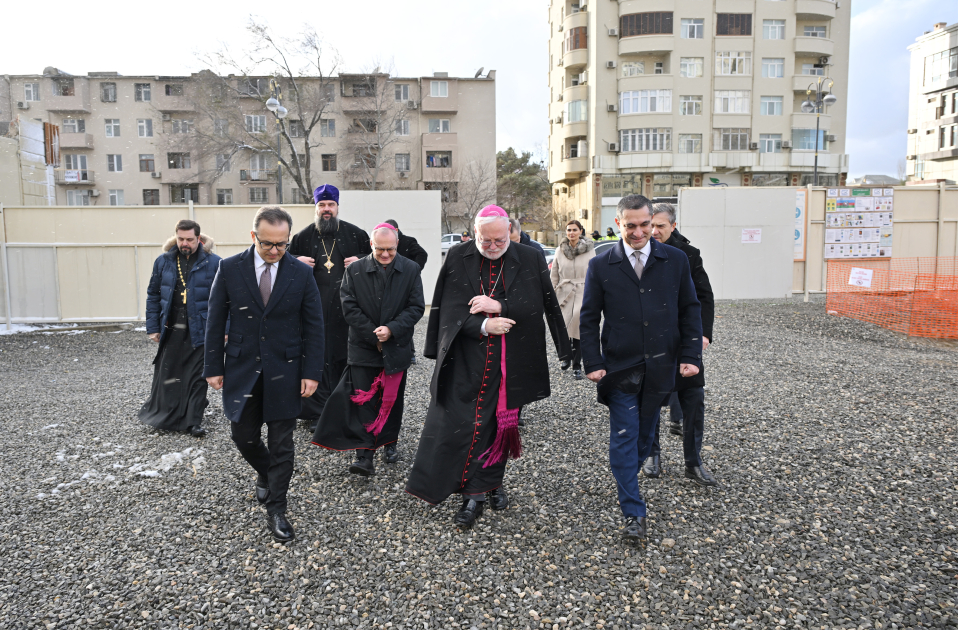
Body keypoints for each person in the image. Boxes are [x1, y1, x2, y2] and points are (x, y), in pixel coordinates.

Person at [405, 205, 571, 528]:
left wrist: (500, 306)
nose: (493, 247)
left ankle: (488, 485)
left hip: (512, 359)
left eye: (499, 240)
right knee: (466, 423)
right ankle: (473, 493)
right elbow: (450, 309)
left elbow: (541, 303)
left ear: (509, 230)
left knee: (499, 426)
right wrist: (482, 326)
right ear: (475, 233)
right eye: (486, 241)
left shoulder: (530, 256)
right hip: (466, 358)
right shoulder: (457, 256)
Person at [579, 194, 703, 542]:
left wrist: (691, 356)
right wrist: (593, 361)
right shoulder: (601, 265)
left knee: (646, 436)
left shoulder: (675, 260)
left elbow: (690, 310)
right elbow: (588, 318)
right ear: (618, 223)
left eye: (644, 224)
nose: (638, 232)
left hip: (661, 366)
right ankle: (633, 509)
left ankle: (626, 478)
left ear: (653, 222)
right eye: (630, 225)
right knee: (624, 436)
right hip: (620, 368)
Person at [204, 206, 325, 543]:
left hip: (286, 370)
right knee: (242, 436)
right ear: (253, 235)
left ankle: (277, 507)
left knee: (283, 444)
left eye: (282, 244)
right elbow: (215, 321)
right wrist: (212, 366)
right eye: (268, 244)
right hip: (241, 368)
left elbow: (315, 326)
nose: (275, 251)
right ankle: (266, 470)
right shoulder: (229, 269)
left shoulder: (299, 273)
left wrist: (312, 372)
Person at [312, 223, 425, 473]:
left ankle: (389, 441)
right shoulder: (355, 270)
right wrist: (374, 335)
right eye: (380, 250)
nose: (385, 255)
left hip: (396, 346)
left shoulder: (410, 269)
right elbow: (349, 307)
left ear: (397, 246)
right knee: (363, 401)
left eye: (391, 250)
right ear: (371, 246)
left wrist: (392, 329)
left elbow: (416, 307)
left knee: (391, 400)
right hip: (363, 348)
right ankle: (364, 455)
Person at [643, 203, 717, 486]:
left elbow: (704, 298)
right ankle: (653, 455)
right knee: (649, 401)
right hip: (650, 342)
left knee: (693, 400)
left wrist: (703, 335)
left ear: (673, 226)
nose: (655, 230)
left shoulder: (688, 255)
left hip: (684, 340)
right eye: (652, 225)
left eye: (661, 225)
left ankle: (693, 461)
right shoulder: (639, 253)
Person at [289, 184, 371, 430]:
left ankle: (344, 410)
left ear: (337, 207)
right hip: (312, 311)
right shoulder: (302, 238)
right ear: (315, 208)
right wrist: (294, 262)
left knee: (344, 358)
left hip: (347, 310)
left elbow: (379, 263)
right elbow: (279, 267)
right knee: (316, 357)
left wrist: (362, 262)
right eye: (322, 205)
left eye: (330, 205)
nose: (327, 210)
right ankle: (317, 413)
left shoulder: (356, 235)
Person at [140, 220, 222, 437]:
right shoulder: (164, 261)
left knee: (198, 375)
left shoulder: (215, 263)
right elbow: (154, 295)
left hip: (202, 327)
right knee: (170, 372)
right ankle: (168, 415)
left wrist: (225, 330)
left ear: (199, 239)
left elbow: (227, 300)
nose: (184, 243)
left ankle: (193, 421)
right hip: (172, 325)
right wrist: (152, 327)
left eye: (189, 239)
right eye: (180, 239)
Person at [549, 220, 595, 381]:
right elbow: (554, 273)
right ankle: (565, 356)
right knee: (562, 327)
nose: (571, 233)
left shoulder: (590, 250)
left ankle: (577, 365)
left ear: (581, 231)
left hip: (583, 290)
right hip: (563, 291)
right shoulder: (559, 250)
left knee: (578, 327)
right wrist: (551, 294)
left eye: (575, 230)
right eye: (568, 230)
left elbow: (594, 273)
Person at [383, 218, 428, 365]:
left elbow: (423, 254)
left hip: (405, 284)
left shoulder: (408, 241)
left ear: (396, 231)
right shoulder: (384, 242)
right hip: (389, 284)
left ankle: (410, 353)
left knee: (405, 318)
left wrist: (413, 270)